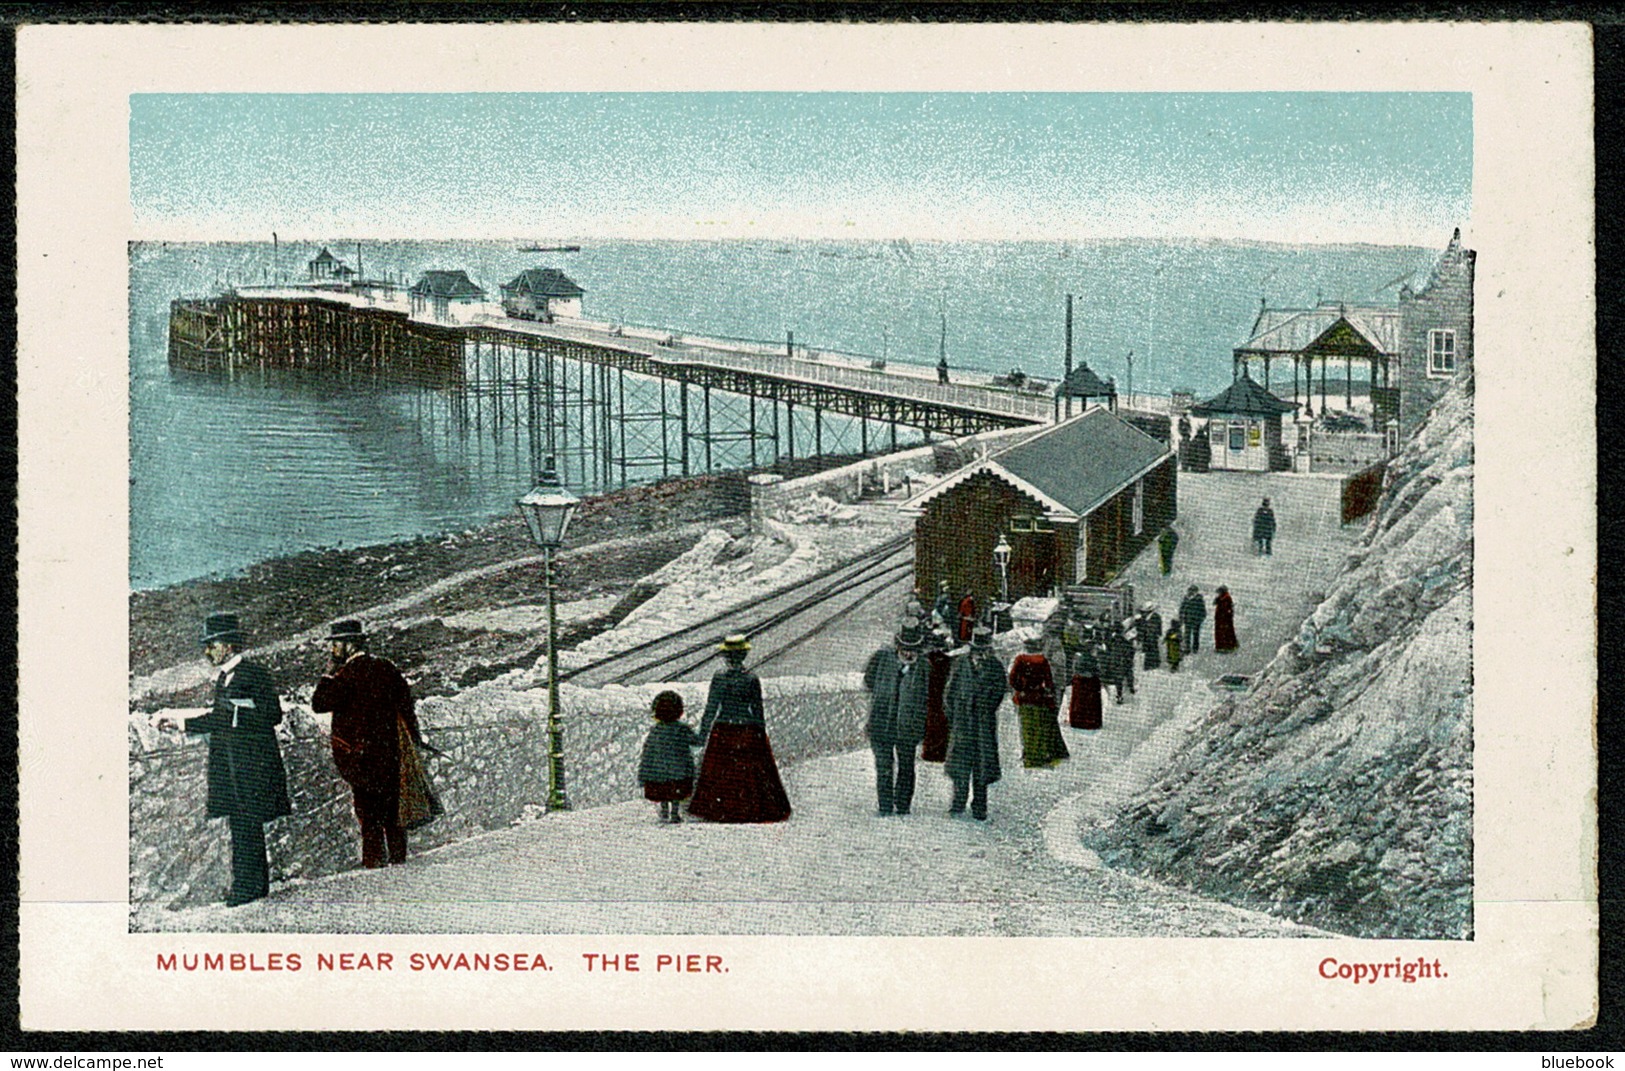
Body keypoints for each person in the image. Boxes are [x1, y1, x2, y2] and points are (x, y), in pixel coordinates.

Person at [160, 612, 291, 907]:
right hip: (234, 766)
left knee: (247, 826)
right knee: (243, 825)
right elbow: (218, 717)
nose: (207, 651)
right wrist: (181, 723)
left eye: (212, 645)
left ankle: (248, 888)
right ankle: (253, 885)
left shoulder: (254, 673)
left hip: (251, 765)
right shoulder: (224, 677)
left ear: (229, 645)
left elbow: (273, 715)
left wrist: (237, 713)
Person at [312, 619, 426, 869]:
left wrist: (327, 673)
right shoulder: (385, 667)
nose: (333, 650)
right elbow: (406, 707)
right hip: (391, 751)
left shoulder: (345, 675)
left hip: (360, 756)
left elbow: (319, 703)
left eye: (337, 644)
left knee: (369, 813)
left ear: (350, 645)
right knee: (394, 811)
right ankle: (399, 861)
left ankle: (375, 864)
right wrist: (413, 742)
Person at [691, 635, 792, 822]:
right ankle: (747, 808)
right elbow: (757, 709)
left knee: (723, 771)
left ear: (726, 657)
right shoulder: (752, 679)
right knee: (748, 772)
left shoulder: (719, 678)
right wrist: (761, 732)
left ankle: (722, 809)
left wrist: (702, 734)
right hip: (747, 728)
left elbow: (711, 708)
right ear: (744, 655)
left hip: (723, 728)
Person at [863, 622, 932, 816]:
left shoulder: (924, 667)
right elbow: (869, 681)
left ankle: (903, 806)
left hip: (908, 727)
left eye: (913, 650)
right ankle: (885, 806)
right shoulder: (881, 659)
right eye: (905, 649)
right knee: (884, 766)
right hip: (881, 723)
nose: (909, 654)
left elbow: (929, 695)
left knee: (906, 767)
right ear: (898, 647)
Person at [944, 626, 1004, 820]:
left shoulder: (995, 666)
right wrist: (954, 715)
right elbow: (950, 692)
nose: (982, 655)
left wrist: (986, 709)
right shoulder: (960, 664)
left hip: (983, 724)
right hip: (962, 722)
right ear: (972, 649)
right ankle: (958, 802)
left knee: (982, 765)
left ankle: (980, 805)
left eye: (985, 650)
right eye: (979, 651)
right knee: (961, 763)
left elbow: (999, 691)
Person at [1008, 631, 1070, 768]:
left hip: (1024, 698)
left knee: (1026, 726)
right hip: (1039, 697)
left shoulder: (1020, 659)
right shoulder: (1043, 660)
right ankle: (1041, 754)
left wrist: (1021, 688)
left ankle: (1029, 755)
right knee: (1039, 725)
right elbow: (1048, 681)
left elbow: (1012, 679)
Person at [639, 691, 699, 824]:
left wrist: (644, 774)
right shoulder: (681, 729)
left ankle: (664, 810)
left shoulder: (655, 731)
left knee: (664, 791)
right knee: (675, 793)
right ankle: (675, 812)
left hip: (659, 772)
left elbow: (648, 753)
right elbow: (696, 740)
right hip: (679, 770)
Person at [920, 625, 952, 764]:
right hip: (942, 698)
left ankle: (930, 753)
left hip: (931, 699)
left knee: (931, 726)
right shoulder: (947, 661)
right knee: (941, 726)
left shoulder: (926, 661)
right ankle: (940, 753)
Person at [1066, 629, 1103, 731]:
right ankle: (1089, 721)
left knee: (1079, 702)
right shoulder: (1091, 659)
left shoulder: (1081, 657)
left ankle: (1078, 720)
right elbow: (1096, 671)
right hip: (1089, 682)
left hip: (1080, 682)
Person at [1103, 621, 1137, 704]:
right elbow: (1131, 651)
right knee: (1129, 673)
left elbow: (1107, 649)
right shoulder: (1124, 641)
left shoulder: (1112, 641)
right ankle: (1131, 687)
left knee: (1118, 680)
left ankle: (1119, 696)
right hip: (1124, 662)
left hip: (1115, 662)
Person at [1180, 585, 1207, 654]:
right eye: (1190, 590)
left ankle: (1195, 648)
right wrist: (1182, 617)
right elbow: (1182, 608)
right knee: (1187, 635)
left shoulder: (1199, 600)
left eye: (1192, 591)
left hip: (1196, 620)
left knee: (1195, 635)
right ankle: (1187, 648)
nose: (1191, 592)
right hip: (1187, 620)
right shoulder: (1186, 598)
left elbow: (1203, 610)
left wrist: (1200, 619)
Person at [1214, 586, 1239, 653]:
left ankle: (1227, 646)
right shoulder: (1222, 598)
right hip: (1220, 619)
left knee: (1226, 633)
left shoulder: (1227, 598)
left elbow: (1226, 609)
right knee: (1221, 633)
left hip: (1225, 620)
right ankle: (1222, 646)